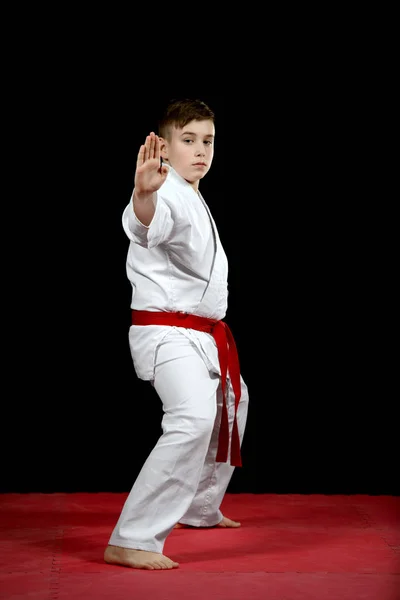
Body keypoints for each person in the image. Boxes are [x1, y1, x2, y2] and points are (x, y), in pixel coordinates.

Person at [104, 98, 249, 570]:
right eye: (188, 141)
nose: (200, 150)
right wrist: (143, 195)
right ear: (164, 147)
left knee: (234, 401)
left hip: (201, 332)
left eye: (207, 141)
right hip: (166, 331)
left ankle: (199, 507)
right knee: (192, 416)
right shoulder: (166, 192)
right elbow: (147, 227)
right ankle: (133, 537)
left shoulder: (192, 191)